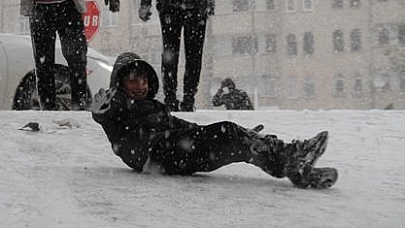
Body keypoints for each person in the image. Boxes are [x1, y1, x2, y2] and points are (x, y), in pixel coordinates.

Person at [91, 52, 338, 189]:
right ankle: (292, 157)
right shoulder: (120, 104)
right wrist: (101, 111)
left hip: (169, 151)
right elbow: (107, 116)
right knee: (227, 134)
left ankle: (290, 165)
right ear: (120, 83)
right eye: (134, 80)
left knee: (231, 136)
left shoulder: (154, 107)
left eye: (144, 81)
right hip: (155, 155)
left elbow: (182, 126)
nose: (140, 86)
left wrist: (242, 136)